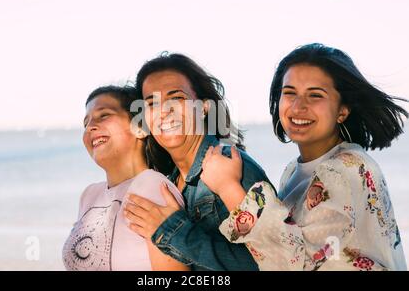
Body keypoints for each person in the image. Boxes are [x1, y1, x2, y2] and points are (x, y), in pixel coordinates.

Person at [200, 43, 408, 270]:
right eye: (290, 93)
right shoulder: (294, 170)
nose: (298, 106)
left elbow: (299, 263)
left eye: (315, 95)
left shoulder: (344, 169)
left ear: (342, 110)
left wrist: (228, 187)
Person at [124, 53, 272, 270]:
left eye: (177, 98)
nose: (165, 112)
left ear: (204, 107)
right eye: (152, 104)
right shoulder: (170, 183)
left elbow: (266, 262)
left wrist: (174, 230)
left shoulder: (231, 167)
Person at [62, 85, 188, 271]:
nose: (90, 127)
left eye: (103, 115)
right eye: (86, 123)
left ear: (140, 128)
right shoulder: (89, 195)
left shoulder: (152, 186)